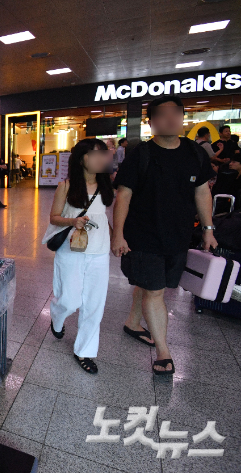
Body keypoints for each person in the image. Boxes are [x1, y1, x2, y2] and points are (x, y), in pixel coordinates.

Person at [112, 95, 217, 376]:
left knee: (153, 285)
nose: (171, 119)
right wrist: (118, 234)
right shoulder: (141, 154)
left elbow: (202, 191)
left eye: (176, 113)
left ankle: (133, 323)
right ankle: (164, 352)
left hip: (179, 236)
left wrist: (208, 229)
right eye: (163, 115)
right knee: (156, 291)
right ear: (152, 122)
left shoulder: (195, 153)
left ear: (183, 117)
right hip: (143, 235)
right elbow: (123, 194)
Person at [42, 139, 114, 374]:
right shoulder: (67, 185)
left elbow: (104, 217)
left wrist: (116, 240)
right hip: (71, 249)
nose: (101, 159)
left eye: (104, 154)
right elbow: (53, 217)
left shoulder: (107, 185)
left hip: (100, 251)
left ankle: (84, 350)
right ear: (82, 158)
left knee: (94, 304)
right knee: (69, 300)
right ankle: (57, 316)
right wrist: (73, 221)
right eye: (96, 154)